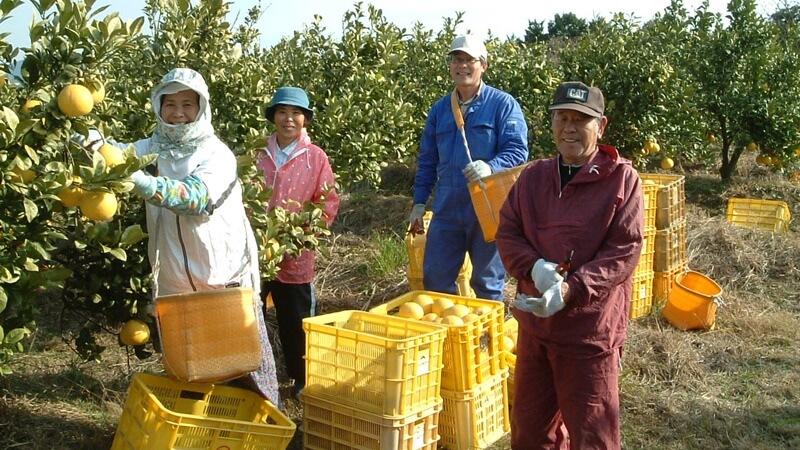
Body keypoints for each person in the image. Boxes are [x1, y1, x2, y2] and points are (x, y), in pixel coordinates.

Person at [88, 68, 281, 406]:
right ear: (158, 106)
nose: (178, 113)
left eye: (187, 104)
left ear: (202, 107)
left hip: (222, 277)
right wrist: (92, 143)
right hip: (175, 279)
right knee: (192, 368)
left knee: (244, 364)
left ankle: (268, 428)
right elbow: (114, 154)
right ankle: (201, 430)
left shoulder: (216, 153)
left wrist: (145, 183)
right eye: (170, 104)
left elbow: (196, 198)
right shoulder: (151, 148)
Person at [495, 81, 644, 449]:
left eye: (581, 120)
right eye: (562, 118)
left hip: (588, 333)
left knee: (592, 435)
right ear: (552, 123)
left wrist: (570, 289)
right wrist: (533, 269)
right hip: (536, 328)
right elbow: (508, 232)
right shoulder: (533, 177)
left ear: (601, 125)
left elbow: (623, 251)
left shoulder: (621, 180)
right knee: (530, 431)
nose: (570, 128)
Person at [409, 34, 529, 300]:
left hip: (488, 204)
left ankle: (486, 339)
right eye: (456, 59)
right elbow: (427, 161)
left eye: (469, 60)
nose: (462, 65)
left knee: (486, 282)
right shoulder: (440, 110)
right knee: (436, 280)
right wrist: (419, 203)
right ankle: (450, 337)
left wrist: (492, 166)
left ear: (483, 65)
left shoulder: (503, 105)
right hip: (447, 206)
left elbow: (518, 151)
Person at [255, 86, 339, 400]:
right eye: (282, 112)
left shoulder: (315, 157)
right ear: (273, 117)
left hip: (295, 256)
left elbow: (327, 201)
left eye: (295, 113)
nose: (288, 119)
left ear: (305, 120)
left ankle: (302, 379)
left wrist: (305, 236)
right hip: (258, 252)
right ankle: (254, 379)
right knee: (250, 316)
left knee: (297, 322)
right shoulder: (258, 152)